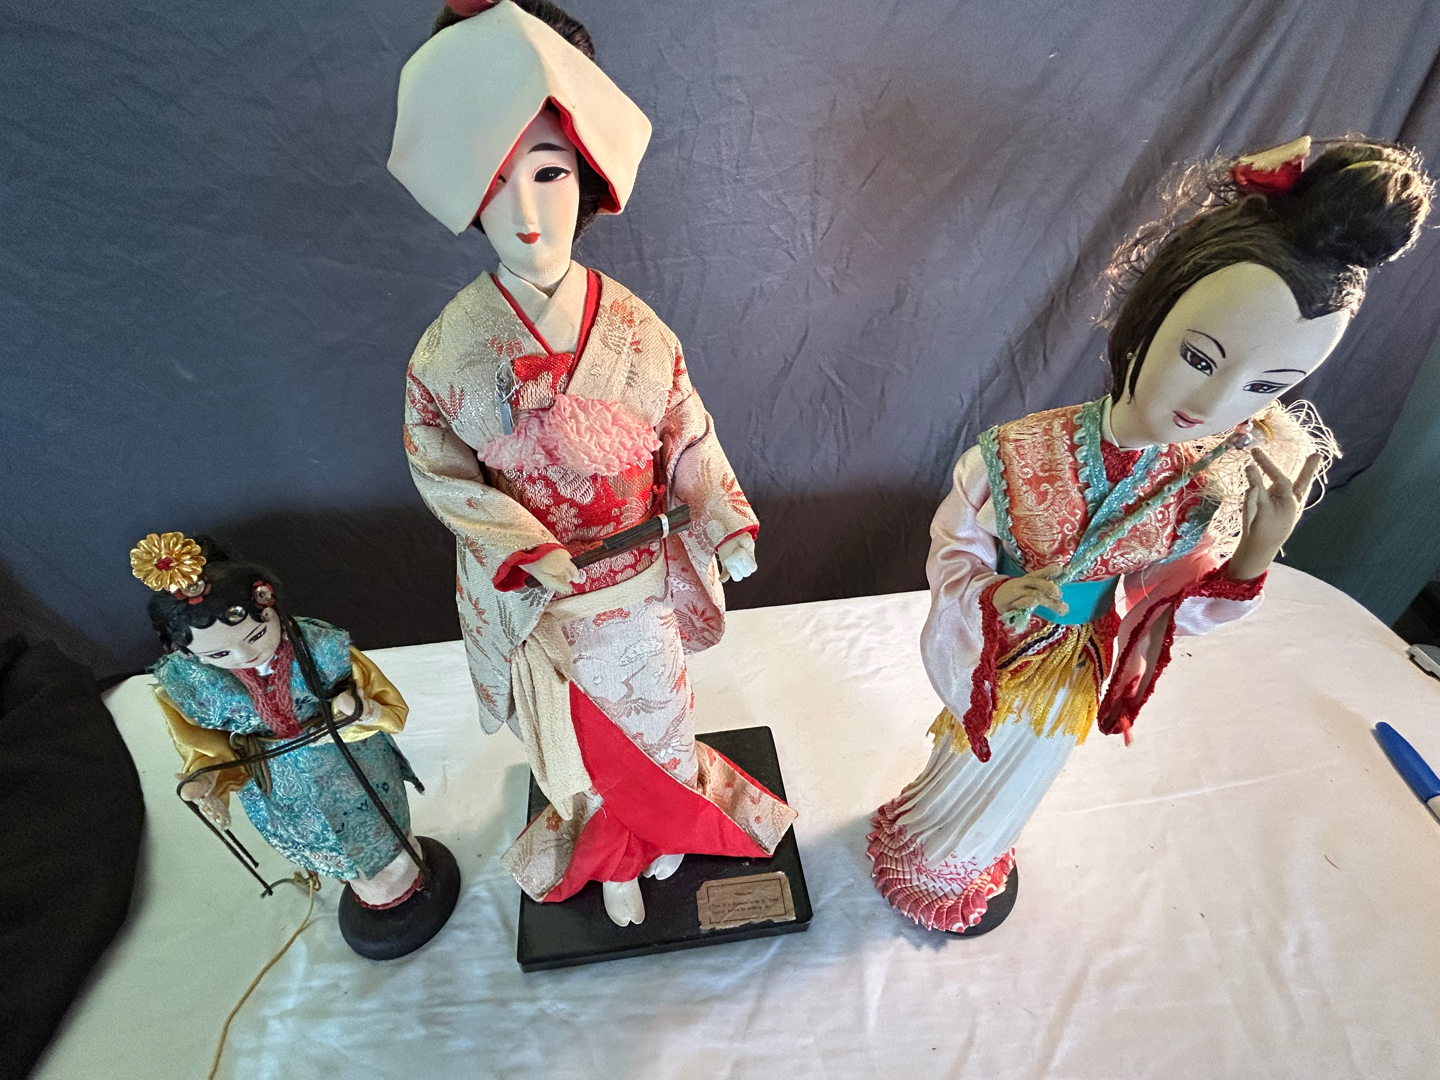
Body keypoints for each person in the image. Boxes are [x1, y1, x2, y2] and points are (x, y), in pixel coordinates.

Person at [867, 136, 1434, 934]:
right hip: (1003, 650)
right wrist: (994, 591)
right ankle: (926, 840)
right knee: (964, 751)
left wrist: (1251, 556)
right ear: (1151, 314)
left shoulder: (1206, 484)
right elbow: (954, 550)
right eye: (1199, 356)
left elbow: (1169, 608)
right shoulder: (1015, 454)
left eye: (1265, 385)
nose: (1217, 403)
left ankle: (960, 859)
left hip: (1074, 670)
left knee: (1023, 774)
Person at [387, 0, 795, 926]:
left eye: (550, 172)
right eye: (498, 183)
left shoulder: (637, 329)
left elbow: (687, 432)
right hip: (547, 602)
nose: (528, 213)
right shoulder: (448, 351)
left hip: (640, 586)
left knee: (661, 722)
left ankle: (665, 832)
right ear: (468, 197)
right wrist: (521, 546)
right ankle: (613, 855)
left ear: (588, 180)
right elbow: (438, 469)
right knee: (580, 750)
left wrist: (725, 519)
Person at [133, 531, 457, 957]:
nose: (243, 656)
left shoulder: (321, 648)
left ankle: (408, 879)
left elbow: (382, 702)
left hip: (347, 757)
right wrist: (207, 781)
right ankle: (365, 891)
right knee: (322, 844)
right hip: (274, 775)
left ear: (270, 608)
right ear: (190, 654)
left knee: (381, 825)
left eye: (255, 635)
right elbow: (207, 746)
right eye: (219, 655)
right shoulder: (190, 684)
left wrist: (361, 710)